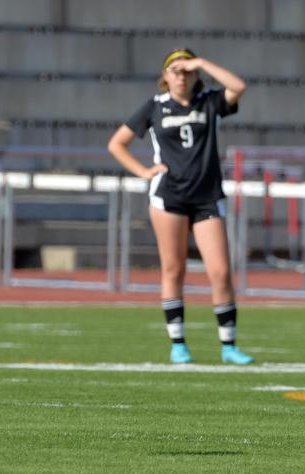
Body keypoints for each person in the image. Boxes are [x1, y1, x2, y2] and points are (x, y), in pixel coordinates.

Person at [107, 48, 254, 365]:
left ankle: (228, 345)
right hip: (169, 197)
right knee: (174, 269)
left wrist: (201, 61)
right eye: (175, 70)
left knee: (220, 272)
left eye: (187, 70)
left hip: (206, 196)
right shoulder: (154, 106)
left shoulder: (210, 102)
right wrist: (144, 171)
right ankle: (178, 343)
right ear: (165, 76)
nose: (181, 75)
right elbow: (117, 143)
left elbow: (239, 86)